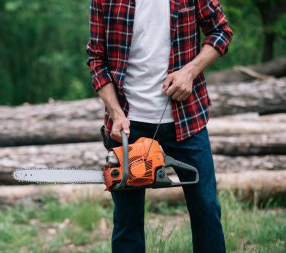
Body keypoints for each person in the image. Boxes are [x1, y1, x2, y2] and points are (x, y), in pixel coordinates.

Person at [86, 0, 233, 252]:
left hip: (187, 120)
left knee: (206, 209)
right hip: (128, 126)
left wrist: (189, 72)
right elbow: (97, 59)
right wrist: (116, 112)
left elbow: (221, 32)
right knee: (127, 221)